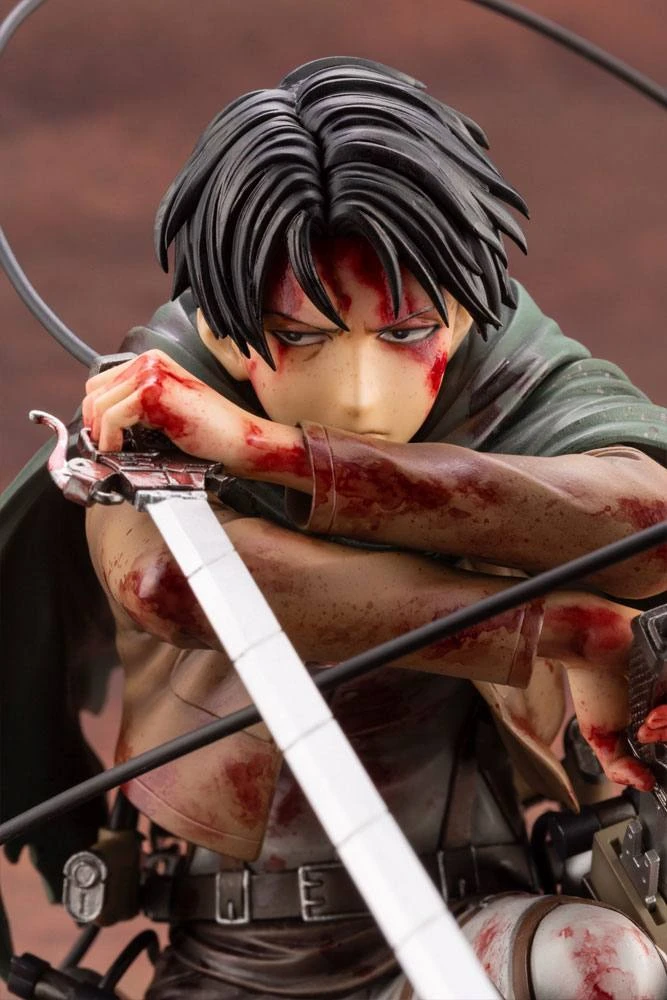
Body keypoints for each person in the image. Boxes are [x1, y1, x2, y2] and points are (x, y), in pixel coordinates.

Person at [11, 57, 667, 998]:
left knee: (596, 967)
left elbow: (645, 522)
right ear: (230, 332)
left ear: (456, 315)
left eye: (404, 335)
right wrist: (563, 629)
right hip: (234, 947)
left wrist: (274, 451)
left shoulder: (504, 366)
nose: (359, 395)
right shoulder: (148, 404)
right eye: (301, 339)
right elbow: (171, 583)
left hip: (473, 925)